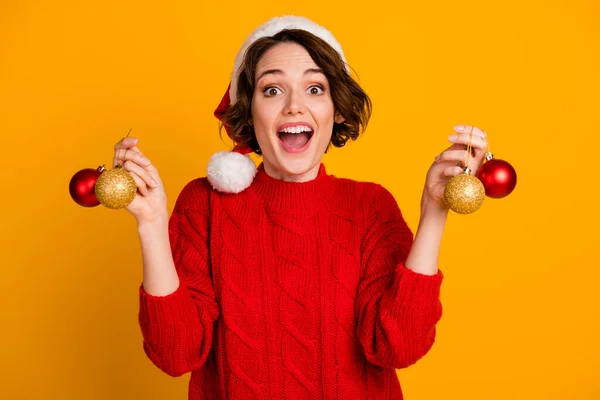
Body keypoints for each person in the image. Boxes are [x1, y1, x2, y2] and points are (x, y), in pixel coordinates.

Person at [113, 15, 488, 400]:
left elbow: (400, 347)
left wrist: (433, 212)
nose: (294, 106)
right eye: (272, 90)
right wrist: (152, 225)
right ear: (249, 110)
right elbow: (176, 356)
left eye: (314, 88)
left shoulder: (371, 207)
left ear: (336, 110)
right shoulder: (204, 204)